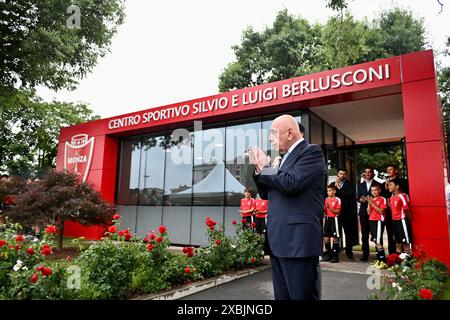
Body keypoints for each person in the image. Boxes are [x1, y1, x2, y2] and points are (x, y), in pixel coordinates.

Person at [250, 115, 327, 300]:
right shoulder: (283, 159)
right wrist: (261, 169)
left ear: (290, 133)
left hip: (298, 242)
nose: (270, 139)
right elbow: (267, 193)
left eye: (274, 134)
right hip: (279, 241)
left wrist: (266, 167)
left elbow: (291, 182)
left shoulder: (311, 152)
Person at [381, 164, 409, 254]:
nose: (388, 171)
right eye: (387, 170)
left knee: (404, 239)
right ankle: (393, 257)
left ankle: (406, 261)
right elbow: (384, 198)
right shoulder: (384, 184)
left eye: (390, 169)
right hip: (391, 214)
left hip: (401, 216)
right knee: (392, 236)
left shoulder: (402, 182)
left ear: (396, 170)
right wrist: (386, 187)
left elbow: (404, 197)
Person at [333, 168, 358, 261]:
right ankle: (334, 254)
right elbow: (330, 197)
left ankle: (349, 253)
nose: (342, 175)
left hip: (347, 213)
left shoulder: (350, 185)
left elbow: (348, 197)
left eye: (344, 174)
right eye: (340, 173)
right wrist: (336, 187)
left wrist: (339, 188)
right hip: (335, 214)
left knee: (348, 234)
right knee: (335, 233)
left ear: (346, 175)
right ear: (337, 174)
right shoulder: (332, 185)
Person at [357, 167, 378, 262]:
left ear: (373, 173)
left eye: (370, 172)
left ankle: (379, 253)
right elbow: (358, 197)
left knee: (376, 233)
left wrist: (371, 200)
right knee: (364, 234)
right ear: (364, 174)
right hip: (363, 212)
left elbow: (380, 197)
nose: (368, 174)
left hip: (375, 212)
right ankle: (365, 254)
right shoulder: (361, 185)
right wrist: (361, 199)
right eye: (366, 172)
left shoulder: (378, 184)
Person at [387, 178, 412, 255]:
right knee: (397, 243)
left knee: (405, 243)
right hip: (394, 221)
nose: (389, 187)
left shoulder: (403, 196)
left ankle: (407, 264)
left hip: (402, 221)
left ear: (397, 186)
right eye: (388, 185)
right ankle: (398, 264)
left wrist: (410, 222)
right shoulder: (391, 198)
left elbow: (407, 210)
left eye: (391, 185)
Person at [367, 184, 387, 263]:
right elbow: (368, 212)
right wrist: (369, 203)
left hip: (378, 221)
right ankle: (379, 260)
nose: (374, 192)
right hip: (372, 220)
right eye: (372, 190)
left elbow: (381, 211)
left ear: (379, 190)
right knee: (375, 241)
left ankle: (383, 261)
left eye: (375, 190)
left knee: (378, 241)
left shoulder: (382, 199)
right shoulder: (372, 200)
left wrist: (372, 203)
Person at [322, 184, 341, 263]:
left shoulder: (337, 199)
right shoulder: (326, 199)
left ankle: (335, 256)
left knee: (335, 237)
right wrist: (325, 209)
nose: (328, 192)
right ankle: (328, 254)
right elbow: (325, 210)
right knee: (326, 238)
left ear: (334, 191)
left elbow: (338, 212)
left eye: (330, 191)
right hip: (327, 219)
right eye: (327, 191)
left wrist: (329, 208)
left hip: (334, 219)